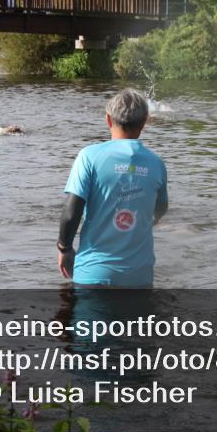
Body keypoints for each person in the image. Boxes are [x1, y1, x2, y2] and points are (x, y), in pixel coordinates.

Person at [58, 89, 169, 287]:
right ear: (144, 122)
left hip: (94, 274)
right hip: (139, 277)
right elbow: (160, 209)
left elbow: (70, 212)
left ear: (108, 120)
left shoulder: (89, 156)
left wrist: (64, 248)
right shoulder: (156, 163)